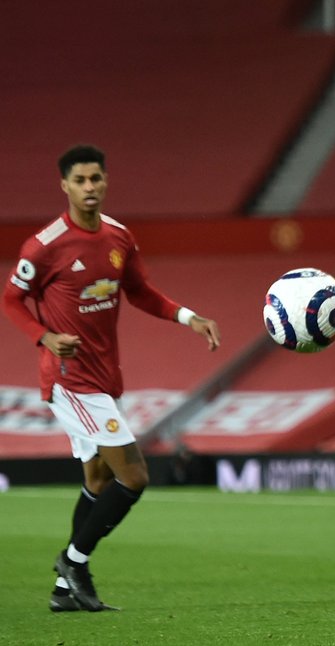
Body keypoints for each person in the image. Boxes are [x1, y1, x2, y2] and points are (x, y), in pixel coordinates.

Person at [2, 144, 221, 612]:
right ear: (64, 185)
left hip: (103, 377)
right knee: (135, 475)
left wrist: (188, 317)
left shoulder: (119, 237)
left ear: (105, 181)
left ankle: (65, 592)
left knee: (99, 479)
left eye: (96, 178)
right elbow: (10, 300)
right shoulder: (44, 247)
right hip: (70, 379)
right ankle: (74, 562)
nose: (89, 187)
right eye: (79, 180)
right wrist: (44, 337)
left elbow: (139, 292)